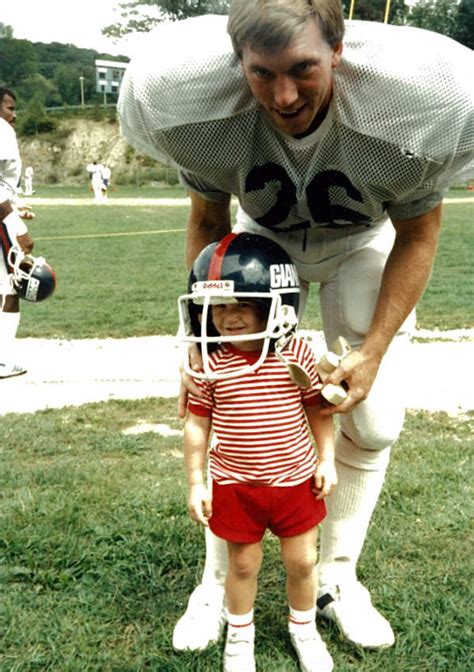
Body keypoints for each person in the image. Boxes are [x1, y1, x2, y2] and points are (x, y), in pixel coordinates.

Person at [118, 0, 474, 651]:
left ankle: (337, 575)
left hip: (364, 241)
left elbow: (420, 234)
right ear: (238, 64)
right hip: (260, 243)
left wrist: (370, 352)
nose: (282, 95)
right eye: (261, 73)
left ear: (338, 51)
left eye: (303, 69)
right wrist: (204, 325)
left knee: (371, 419)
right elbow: (208, 218)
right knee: (235, 406)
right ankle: (216, 579)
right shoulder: (198, 106)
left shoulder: (419, 101)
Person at [180, 232, 337, 672]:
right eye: (218, 307)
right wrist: (197, 482)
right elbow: (196, 424)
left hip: (294, 480)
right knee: (243, 565)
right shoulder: (209, 362)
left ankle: (303, 627)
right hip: (236, 483)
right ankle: (239, 634)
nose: (227, 318)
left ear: (273, 305)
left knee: (303, 562)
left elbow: (319, 412)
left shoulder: (297, 354)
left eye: (241, 305)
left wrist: (326, 459)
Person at [0, 87, 35, 379]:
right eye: (9, 107)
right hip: (1, 222)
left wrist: (15, 204)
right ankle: (1, 360)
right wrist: (17, 226)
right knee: (11, 287)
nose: (14, 114)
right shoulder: (1, 130)